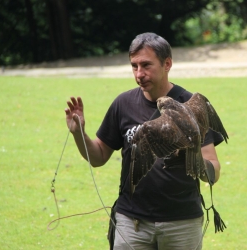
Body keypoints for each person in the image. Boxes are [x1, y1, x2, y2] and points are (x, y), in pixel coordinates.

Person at [65, 32, 225, 250]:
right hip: (132, 222)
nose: (139, 73)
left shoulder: (191, 103)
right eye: (134, 66)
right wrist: (78, 133)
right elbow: (99, 156)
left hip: (182, 223)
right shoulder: (123, 104)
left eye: (146, 65)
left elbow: (214, 170)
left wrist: (194, 160)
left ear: (167, 64)